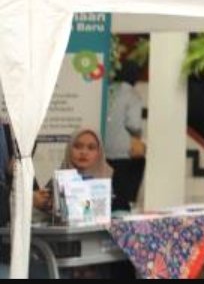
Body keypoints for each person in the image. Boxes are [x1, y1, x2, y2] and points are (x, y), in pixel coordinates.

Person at [33, 128, 130, 215]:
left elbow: (123, 213)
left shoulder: (113, 178)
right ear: (69, 150)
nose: (84, 152)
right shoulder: (58, 179)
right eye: (78, 146)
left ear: (99, 153)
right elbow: (46, 214)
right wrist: (38, 202)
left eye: (91, 148)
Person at [104, 60, 146, 208]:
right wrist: (138, 137)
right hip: (122, 150)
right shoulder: (132, 95)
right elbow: (134, 124)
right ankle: (127, 203)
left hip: (103, 148)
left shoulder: (107, 90)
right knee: (139, 160)